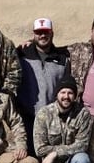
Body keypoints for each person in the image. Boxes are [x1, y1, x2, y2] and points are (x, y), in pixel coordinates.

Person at [32, 75, 93, 163]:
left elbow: (82, 145)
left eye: (70, 93)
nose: (66, 96)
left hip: (72, 161)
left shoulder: (83, 114)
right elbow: (40, 149)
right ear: (56, 94)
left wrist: (55, 153)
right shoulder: (44, 114)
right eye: (63, 92)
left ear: (75, 95)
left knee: (83, 159)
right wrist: (54, 156)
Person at [16, 17, 71, 155]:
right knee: (27, 160)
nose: (42, 36)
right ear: (33, 34)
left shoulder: (62, 58)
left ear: (52, 33)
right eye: (39, 32)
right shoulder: (21, 54)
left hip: (52, 117)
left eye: (46, 32)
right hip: (27, 117)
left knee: (47, 159)